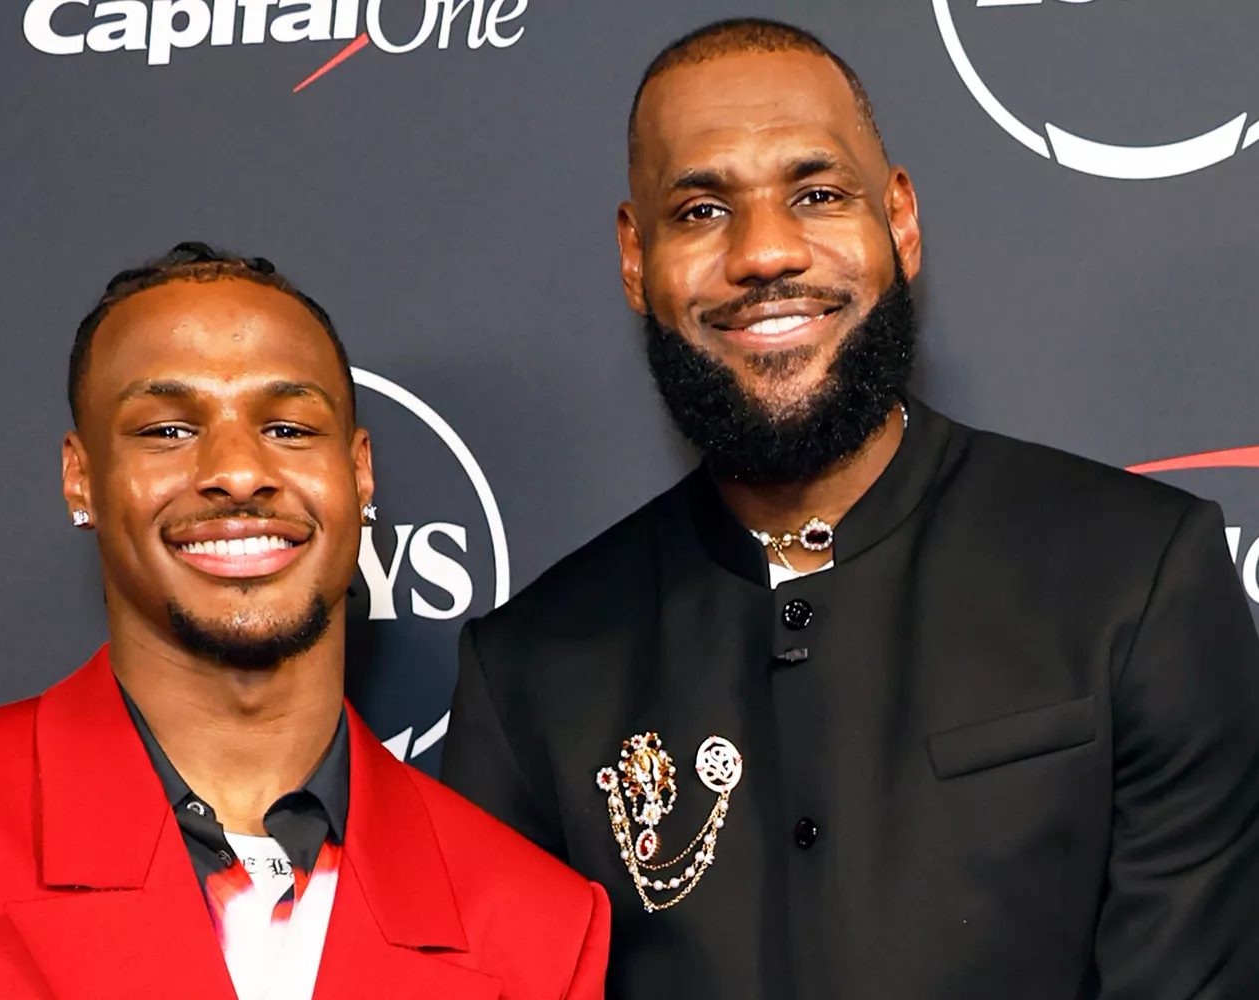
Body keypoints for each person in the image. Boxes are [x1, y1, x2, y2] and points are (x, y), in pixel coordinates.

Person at [440, 18, 1259, 1000]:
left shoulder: (1137, 578)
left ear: (900, 222)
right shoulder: (532, 667)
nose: (765, 254)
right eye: (701, 211)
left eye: (817, 194)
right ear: (634, 257)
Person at [0, 242, 610, 999]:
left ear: (358, 473)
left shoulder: (540, 923)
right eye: (167, 429)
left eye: (287, 426)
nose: (239, 472)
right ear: (81, 478)